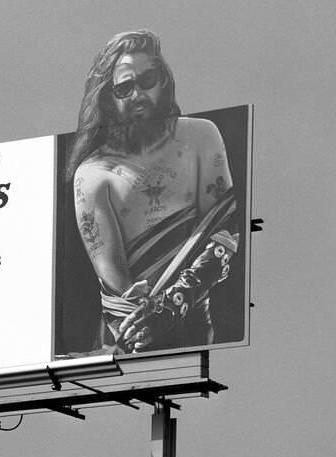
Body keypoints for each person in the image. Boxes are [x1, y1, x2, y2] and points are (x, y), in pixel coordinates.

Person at [68, 29, 239, 354]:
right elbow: (116, 281)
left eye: (148, 80)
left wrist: (175, 302)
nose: (138, 94)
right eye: (124, 87)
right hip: (131, 337)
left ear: (164, 81)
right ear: (108, 95)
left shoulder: (201, 137)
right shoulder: (92, 174)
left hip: (194, 323)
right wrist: (147, 312)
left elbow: (225, 232)